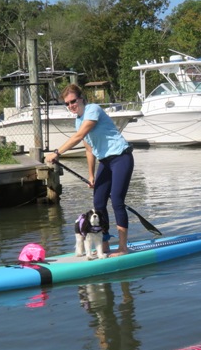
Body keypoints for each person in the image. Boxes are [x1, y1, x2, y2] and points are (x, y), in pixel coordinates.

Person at [45, 84, 134, 257]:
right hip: (105, 162)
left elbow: (78, 137)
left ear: (81, 99)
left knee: (116, 200)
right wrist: (92, 175)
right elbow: (88, 150)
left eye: (73, 101)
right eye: (67, 104)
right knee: (99, 203)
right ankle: (105, 244)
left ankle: (123, 247)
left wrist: (57, 152)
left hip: (121, 157)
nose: (71, 105)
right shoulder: (78, 121)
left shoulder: (93, 109)